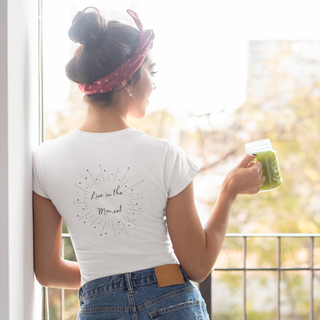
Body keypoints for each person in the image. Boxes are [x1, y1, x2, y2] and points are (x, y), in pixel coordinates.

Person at [33, 7, 265, 320]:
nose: (154, 85)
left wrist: (107, 285)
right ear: (128, 80)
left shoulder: (45, 160)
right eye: (151, 73)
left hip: (100, 309)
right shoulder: (166, 155)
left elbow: (47, 272)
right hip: (173, 303)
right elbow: (198, 265)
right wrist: (228, 191)